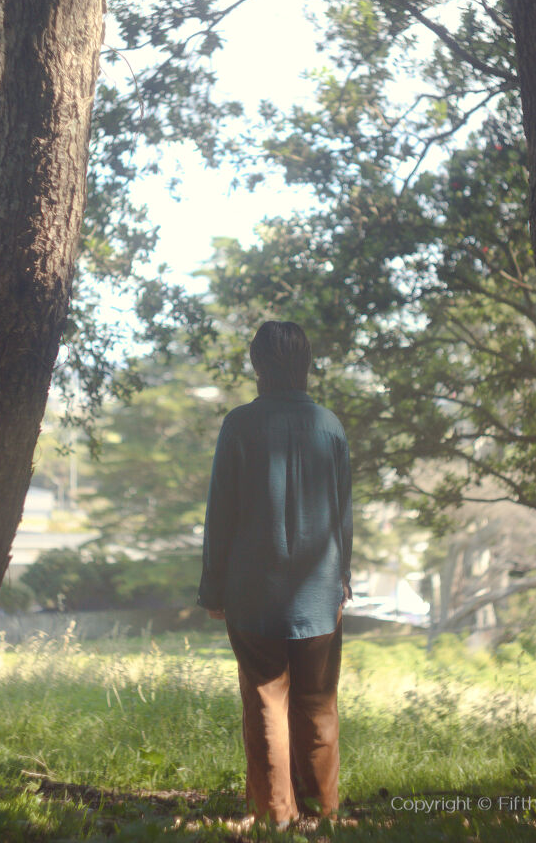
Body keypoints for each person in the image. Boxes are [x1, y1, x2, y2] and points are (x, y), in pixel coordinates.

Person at [196, 319, 353, 828]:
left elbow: (221, 512)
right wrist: (342, 579)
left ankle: (274, 818)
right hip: (319, 593)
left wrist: (213, 588)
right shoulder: (330, 425)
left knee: (266, 702)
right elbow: (343, 516)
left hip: (252, 592)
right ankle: (322, 813)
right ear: (305, 363)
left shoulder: (239, 425)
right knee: (318, 703)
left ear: (257, 365)